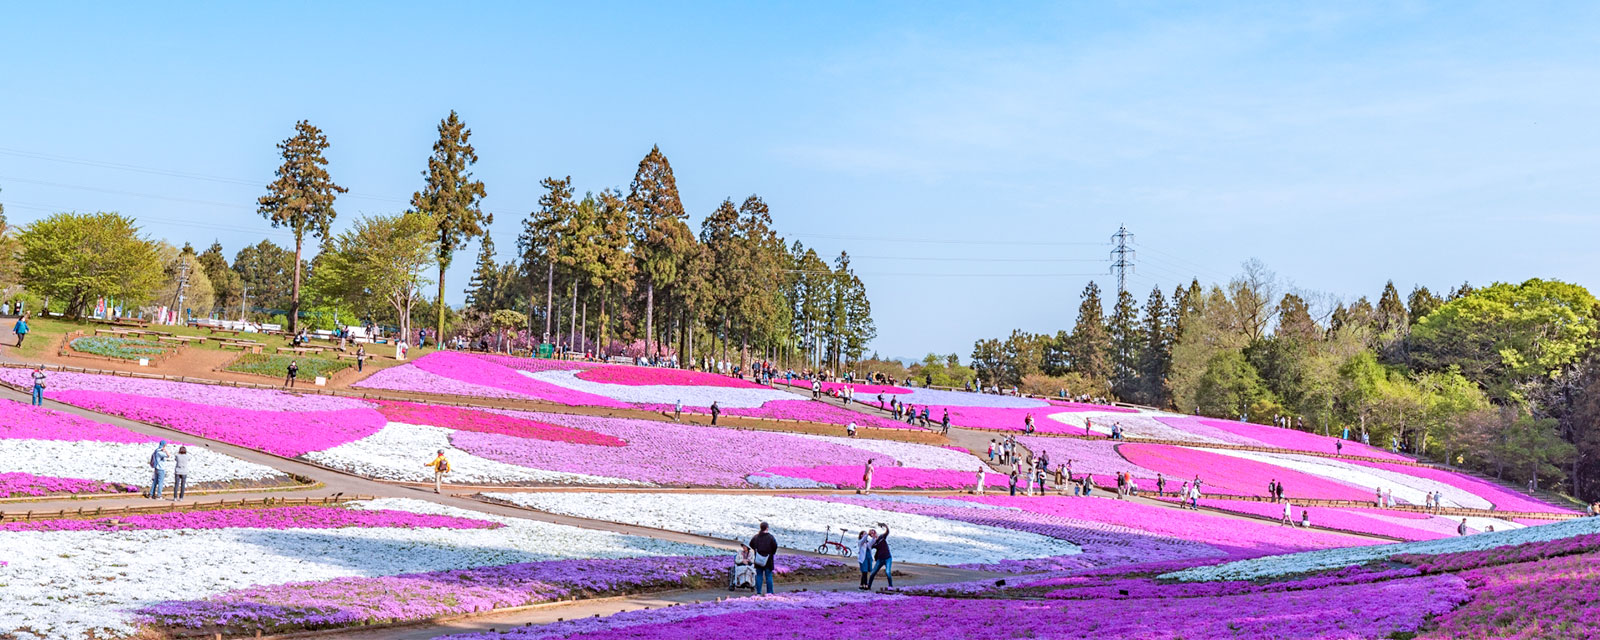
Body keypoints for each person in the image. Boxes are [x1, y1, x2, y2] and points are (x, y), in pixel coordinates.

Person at [749, 522, 778, 595]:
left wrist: (756, 550)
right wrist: (772, 552)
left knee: (759, 575)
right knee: (768, 576)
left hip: (758, 558)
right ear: (767, 528)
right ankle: (770, 592)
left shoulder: (756, 537)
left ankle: (758, 592)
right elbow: (775, 546)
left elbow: (751, 544)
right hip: (768, 559)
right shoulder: (770, 537)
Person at [866, 522, 892, 589]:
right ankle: (869, 586)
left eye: (874, 532)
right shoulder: (873, 543)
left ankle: (890, 586)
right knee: (873, 573)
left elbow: (887, 532)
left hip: (887, 558)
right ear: (871, 536)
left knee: (888, 572)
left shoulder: (881, 537)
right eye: (872, 534)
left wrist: (885, 526)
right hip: (880, 559)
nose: (874, 534)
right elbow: (868, 547)